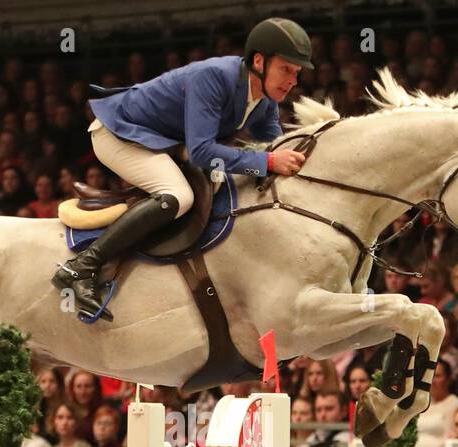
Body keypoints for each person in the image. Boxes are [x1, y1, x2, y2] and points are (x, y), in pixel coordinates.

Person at [52, 17, 313, 320]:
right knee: (178, 196)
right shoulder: (215, 77)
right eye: (286, 69)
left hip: (164, 141)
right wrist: (267, 163)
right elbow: (204, 153)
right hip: (119, 134)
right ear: (259, 61)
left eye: (296, 72)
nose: (293, 80)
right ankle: (81, 267)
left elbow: (275, 148)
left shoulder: (265, 99)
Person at [415, 359, 458, 447]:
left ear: (448, 379)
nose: (432, 381)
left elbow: (452, 439)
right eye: (430, 376)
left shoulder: (457, 405)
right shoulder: (420, 403)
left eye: (437, 376)